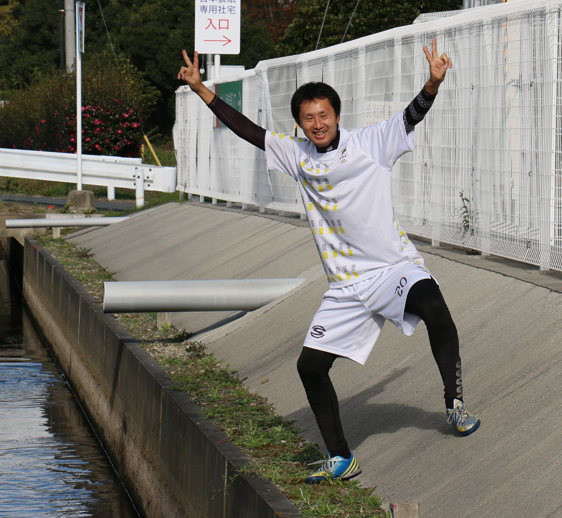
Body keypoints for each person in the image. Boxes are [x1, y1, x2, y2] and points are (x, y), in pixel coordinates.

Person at [178, 39, 480, 484]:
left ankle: (454, 403)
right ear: (300, 123)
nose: (317, 124)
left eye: (324, 115)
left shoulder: (370, 142)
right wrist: (201, 88)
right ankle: (341, 457)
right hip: (346, 286)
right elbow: (247, 130)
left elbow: (411, 115)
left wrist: (432, 83)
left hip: (392, 267)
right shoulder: (296, 153)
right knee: (310, 367)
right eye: (308, 118)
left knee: (435, 308)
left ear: (337, 116)